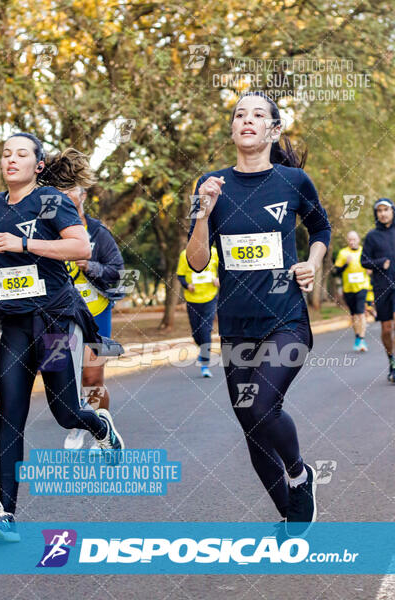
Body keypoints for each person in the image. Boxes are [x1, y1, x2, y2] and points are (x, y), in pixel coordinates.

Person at [186, 91, 331, 536]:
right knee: (250, 422)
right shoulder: (209, 184)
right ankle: (289, 514)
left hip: (285, 317)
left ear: (274, 129)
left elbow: (320, 226)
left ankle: (299, 474)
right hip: (234, 325)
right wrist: (203, 212)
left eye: (257, 115)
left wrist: (313, 260)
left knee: (264, 406)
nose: (246, 120)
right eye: (238, 114)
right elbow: (195, 261)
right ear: (232, 129)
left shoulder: (293, 181)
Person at [0, 133, 124, 535]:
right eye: (5, 154)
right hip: (14, 323)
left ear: (38, 165)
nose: (11, 159)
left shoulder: (51, 200)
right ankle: (6, 514)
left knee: (65, 412)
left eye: (21, 154)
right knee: (9, 419)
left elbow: (81, 247)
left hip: (52, 321)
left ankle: (99, 426)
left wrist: (24, 244)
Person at [44, 151, 125, 449]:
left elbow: (117, 271)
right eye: (60, 190)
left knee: (92, 375)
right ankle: (80, 420)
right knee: (62, 375)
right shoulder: (45, 229)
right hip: (58, 313)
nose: (66, 195)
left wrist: (90, 267)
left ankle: (98, 425)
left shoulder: (98, 232)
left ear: (83, 193)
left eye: (72, 189)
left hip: (95, 312)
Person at [361, 198, 395, 381]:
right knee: (387, 328)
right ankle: (392, 363)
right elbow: (363, 261)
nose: (383, 213)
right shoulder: (372, 236)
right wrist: (381, 263)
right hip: (382, 287)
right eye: (379, 210)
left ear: (392, 211)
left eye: (386, 209)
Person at [176, 246, 219, 377]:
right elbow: (180, 275)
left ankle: (205, 364)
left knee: (205, 329)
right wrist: (187, 286)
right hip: (192, 298)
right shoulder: (185, 254)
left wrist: (219, 279)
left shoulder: (214, 252)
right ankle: (203, 350)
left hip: (210, 296)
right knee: (196, 333)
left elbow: (223, 269)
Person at [333, 231, 369, 351]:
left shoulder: (364, 252)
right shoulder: (343, 253)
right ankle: (358, 337)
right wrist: (345, 264)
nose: (352, 241)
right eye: (350, 239)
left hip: (362, 286)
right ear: (347, 240)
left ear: (358, 239)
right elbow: (335, 272)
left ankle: (362, 339)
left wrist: (370, 270)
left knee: (360, 312)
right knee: (354, 315)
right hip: (348, 289)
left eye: (354, 239)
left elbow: (371, 267)